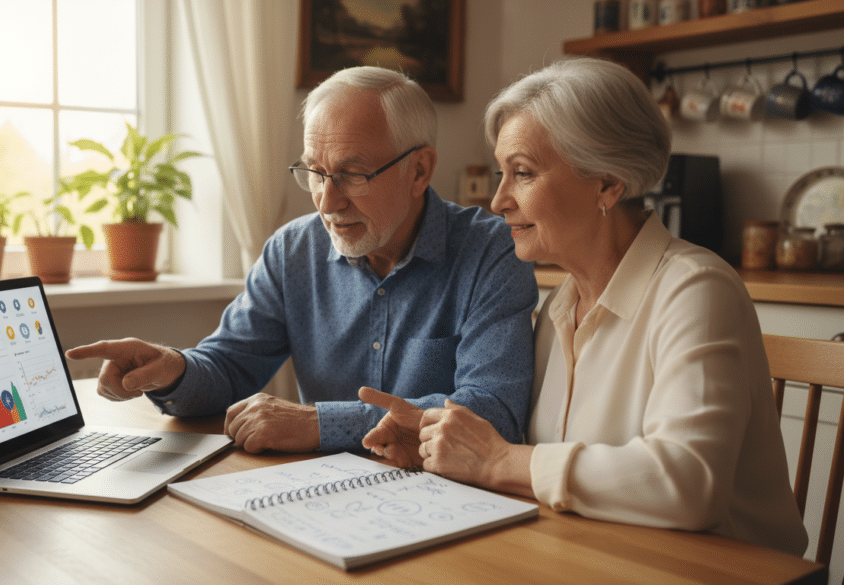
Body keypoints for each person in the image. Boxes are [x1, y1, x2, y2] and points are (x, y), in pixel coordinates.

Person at [360, 57, 808, 556]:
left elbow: (689, 484)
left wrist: (499, 462)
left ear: (607, 184)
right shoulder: (561, 302)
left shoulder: (697, 291)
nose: (499, 200)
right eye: (501, 173)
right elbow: (553, 472)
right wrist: (434, 450)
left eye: (523, 173)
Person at [66, 66, 537, 455]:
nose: (327, 201)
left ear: (419, 170)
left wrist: (321, 423)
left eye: (352, 174)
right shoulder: (292, 250)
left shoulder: (493, 252)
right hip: (316, 498)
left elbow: (492, 409)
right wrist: (172, 368)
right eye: (314, 171)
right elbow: (229, 367)